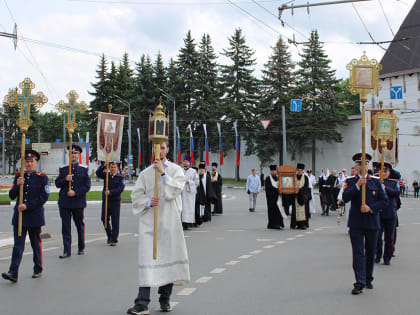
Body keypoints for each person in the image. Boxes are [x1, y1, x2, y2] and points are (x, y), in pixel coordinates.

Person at [128, 140, 189, 314]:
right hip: (149, 224)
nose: (159, 151)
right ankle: (142, 303)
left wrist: (163, 174)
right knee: (147, 259)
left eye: (163, 147)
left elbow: (175, 191)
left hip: (169, 222)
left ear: (167, 149)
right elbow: (136, 196)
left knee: (167, 259)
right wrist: (147, 202)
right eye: (157, 147)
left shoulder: (175, 170)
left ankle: (165, 297)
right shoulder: (146, 173)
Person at [342, 153, 388, 295]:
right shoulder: (350, 181)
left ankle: (368, 278)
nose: (362, 166)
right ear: (356, 166)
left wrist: (371, 208)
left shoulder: (375, 181)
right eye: (359, 164)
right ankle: (359, 282)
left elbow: (384, 201)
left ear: (368, 165)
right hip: (356, 223)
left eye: (365, 163)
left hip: (372, 222)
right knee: (358, 253)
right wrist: (357, 185)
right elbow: (345, 197)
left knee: (370, 252)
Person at [2, 150, 49, 283]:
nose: (28, 164)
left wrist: (27, 205)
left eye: (31, 161)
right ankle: (13, 272)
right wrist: (17, 185)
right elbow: (11, 196)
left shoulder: (41, 177)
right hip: (20, 217)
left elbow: (44, 197)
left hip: (34, 216)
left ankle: (38, 268)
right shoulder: (19, 176)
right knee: (18, 245)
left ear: (36, 163)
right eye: (26, 162)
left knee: (35, 243)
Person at [55, 144, 91, 258]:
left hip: (78, 202)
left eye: (75, 153)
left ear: (78, 155)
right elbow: (57, 184)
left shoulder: (84, 169)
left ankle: (81, 247)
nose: (73, 155)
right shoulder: (63, 168)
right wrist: (65, 180)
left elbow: (87, 186)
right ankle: (67, 250)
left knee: (79, 225)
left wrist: (75, 193)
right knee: (65, 227)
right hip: (65, 202)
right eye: (72, 153)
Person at [373, 162, 399, 265]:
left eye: (385, 171)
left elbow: (396, 192)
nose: (383, 173)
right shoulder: (375, 181)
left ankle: (387, 257)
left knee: (389, 238)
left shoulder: (393, 182)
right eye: (381, 171)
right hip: (378, 213)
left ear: (389, 172)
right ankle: (377, 254)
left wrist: (385, 188)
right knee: (377, 236)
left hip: (390, 213)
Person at [96, 161, 125, 246]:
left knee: (115, 221)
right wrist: (103, 165)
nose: (112, 169)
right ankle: (109, 235)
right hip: (106, 201)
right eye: (111, 167)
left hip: (115, 201)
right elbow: (98, 173)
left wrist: (110, 192)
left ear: (117, 169)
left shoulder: (120, 177)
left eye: (114, 167)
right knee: (104, 219)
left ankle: (114, 239)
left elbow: (120, 189)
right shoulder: (107, 175)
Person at [290, 163, 311, 230]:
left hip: (302, 197)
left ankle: (303, 224)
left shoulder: (305, 177)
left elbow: (306, 187)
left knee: (303, 211)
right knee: (295, 210)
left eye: (300, 170)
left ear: (303, 170)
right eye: (298, 170)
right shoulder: (294, 177)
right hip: (295, 196)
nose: (299, 171)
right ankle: (295, 224)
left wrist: (299, 190)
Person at [181, 155, 199, 230]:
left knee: (188, 208)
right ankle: (181, 223)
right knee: (181, 208)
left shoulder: (193, 171)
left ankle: (188, 223)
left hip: (189, 193)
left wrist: (189, 182)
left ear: (190, 163)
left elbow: (197, 182)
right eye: (184, 161)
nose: (185, 163)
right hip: (181, 192)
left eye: (187, 162)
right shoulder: (180, 170)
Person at [265, 165, 284, 230]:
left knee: (279, 211)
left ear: (276, 171)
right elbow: (269, 189)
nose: (273, 172)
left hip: (278, 198)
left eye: (274, 171)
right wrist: (277, 191)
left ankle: (280, 224)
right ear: (270, 171)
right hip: (271, 199)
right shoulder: (268, 179)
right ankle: (273, 225)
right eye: (272, 171)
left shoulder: (279, 178)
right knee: (273, 212)